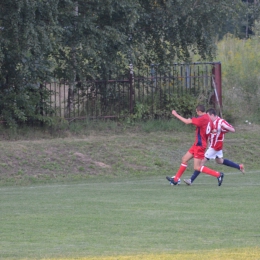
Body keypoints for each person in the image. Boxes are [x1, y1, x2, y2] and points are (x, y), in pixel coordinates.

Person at [166, 104, 224, 186]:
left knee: (197, 167)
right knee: (184, 159)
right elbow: (214, 130)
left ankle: (218, 175)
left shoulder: (201, 119)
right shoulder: (208, 118)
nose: (196, 114)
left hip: (200, 145)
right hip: (197, 144)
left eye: (197, 112)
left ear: (199, 111)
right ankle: (175, 179)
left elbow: (186, 122)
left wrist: (175, 114)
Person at [183, 108, 244, 186]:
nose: (207, 117)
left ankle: (191, 180)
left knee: (201, 163)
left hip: (215, 146)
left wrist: (222, 128)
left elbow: (232, 129)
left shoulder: (221, 121)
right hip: (213, 145)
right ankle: (239, 166)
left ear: (212, 115)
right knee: (220, 161)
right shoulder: (209, 122)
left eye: (208, 115)